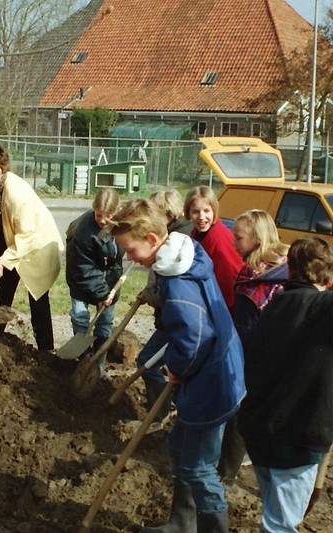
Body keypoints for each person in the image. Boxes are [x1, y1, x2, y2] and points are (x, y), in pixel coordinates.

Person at [110, 198, 245, 533]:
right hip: (211, 372)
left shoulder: (178, 283)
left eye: (130, 249)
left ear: (152, 239)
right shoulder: (184, 254)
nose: (129, 257)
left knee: (199, 467)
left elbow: (196, 338)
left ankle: (212, 529)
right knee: (182, 449)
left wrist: (177, 368)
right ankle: (182, 523)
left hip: (212, 382)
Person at [238, 237, 333, 533]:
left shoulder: (274, 305)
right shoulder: (323, 309)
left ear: (289, 271)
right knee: (279, 526)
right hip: (296, 438)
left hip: (258, 430)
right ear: (328, 276)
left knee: (274, 516)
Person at [218, 210, 289, 484]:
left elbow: (245, 332)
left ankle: (226, 472)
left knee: (240, 411)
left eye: (239, 237)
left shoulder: (254, 279)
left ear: (257, 239)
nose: (233, 242)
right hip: (285, 355)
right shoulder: (286, 266)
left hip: (258, 357)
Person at [0, 141, 62, 352]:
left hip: (36, 243)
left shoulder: (17, 193)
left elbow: (27, 234)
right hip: (11, 238)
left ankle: (46, 350)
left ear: (3, 168)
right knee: (1, 291)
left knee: (38, 298)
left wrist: (3, 261)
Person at [134, 188, 193, 431]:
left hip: (176, 319)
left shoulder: (176, 239)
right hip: (171, 318)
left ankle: (158, 416)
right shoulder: (173, 234)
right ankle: (165, 412)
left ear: (167, 213)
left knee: (146, 361)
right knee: (160, 363)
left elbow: (169, 286)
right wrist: (148, 292)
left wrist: (152, 295)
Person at [65, 188, 124, 360]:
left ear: (117, 211)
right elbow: (84, 268)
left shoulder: (120, 225)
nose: (103, 221)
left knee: (105, 319)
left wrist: (110, 293)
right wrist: (101, 293)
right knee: (80, 317)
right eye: (99, 215)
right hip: (80, 278)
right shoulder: (82, 232)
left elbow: (115, 263)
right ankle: (82, 360)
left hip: (108, 281)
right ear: (94, 208)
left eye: (108, 216)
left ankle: (98, 364)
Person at [184, 186, 243, 314]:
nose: (201, 216)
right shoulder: (197, 232)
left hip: (226, 304)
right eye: (195, 211)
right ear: (188, 213)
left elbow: (228, 279)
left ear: (214, 211)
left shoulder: (217, 238)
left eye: (206, 211)